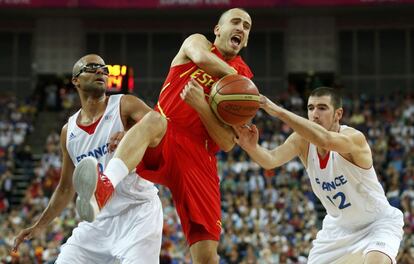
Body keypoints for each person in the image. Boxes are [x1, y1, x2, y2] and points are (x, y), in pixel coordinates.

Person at [74, 8, 253, 264]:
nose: (241, 28)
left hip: (199, 158)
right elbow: (201, 58)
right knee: (154, 119)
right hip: (165, 136)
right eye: (235, 22)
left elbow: (226, 143)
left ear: (246, 39)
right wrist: (239, 82)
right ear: (217, 29)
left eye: (246, 27)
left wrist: (202, 105)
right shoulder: (197, 43)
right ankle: (104, 187)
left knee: (207, 257)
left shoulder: (244, 78)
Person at [12, 54, 163, 264]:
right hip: (96, 221)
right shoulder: (69, 131)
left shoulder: (124, 104)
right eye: (92, 67)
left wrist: (132, 134)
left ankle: (108, 183)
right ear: (76, 80)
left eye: (104, 69)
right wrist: (40, 225)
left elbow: (160, 127)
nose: (101, 71)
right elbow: (66, 188)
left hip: (137, 214)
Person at [234, 87, 404, 264]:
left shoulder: (354, 138)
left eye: (322, 108)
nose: (315, 114)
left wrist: (278, 111)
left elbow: (325, 140)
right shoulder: (301, 140)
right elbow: (270, 160)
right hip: (337, 230)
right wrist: (250, 147)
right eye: (310, 108)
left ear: (338, 114)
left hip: (376, 223)